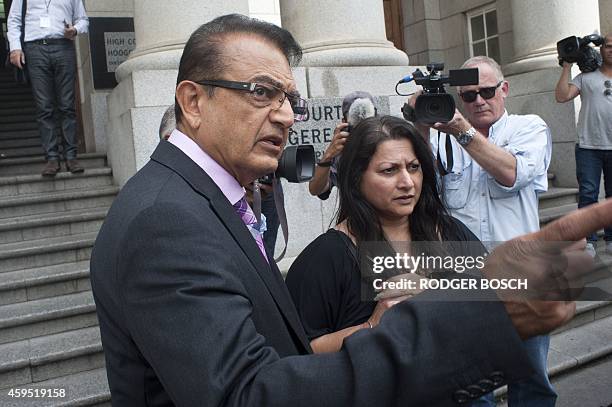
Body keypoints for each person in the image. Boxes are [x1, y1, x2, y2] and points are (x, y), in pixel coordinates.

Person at [90, 14, 611, 406]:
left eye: (290, 97)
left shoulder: (207, 201)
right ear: (193, 101)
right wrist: (466, 322)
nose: (287, 115)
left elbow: (274, 357)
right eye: (262, 93)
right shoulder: (168, 219)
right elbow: (246, 395)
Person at [410, 56, 554, 406]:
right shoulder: (443, 142)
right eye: (469, 95)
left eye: (486, 92)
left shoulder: (528, 127)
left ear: (504, 89)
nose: (478, 101)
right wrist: (421, 127)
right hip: (465, 279)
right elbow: (417, 189)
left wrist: (463, 131)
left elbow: (512, 174)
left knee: (531, 378)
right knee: (473, 387)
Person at [286, 115, 486, 353]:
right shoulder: (326, 258)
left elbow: (495, 299)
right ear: (356, 179)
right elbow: (300, 351)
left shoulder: (450, 231)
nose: (407, 182)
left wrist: (438, 295)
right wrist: (374, 325)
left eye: (413, 168)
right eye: (389, 170)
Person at [7, 0, 88, 176]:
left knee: (67, 105)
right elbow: (13, 20)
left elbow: (83, 20)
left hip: (63, 47)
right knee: (44, 107)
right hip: (34, 49)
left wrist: (74, 30)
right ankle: (52, 158)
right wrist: (15, 48)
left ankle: (71, 157)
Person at [555, 33, 612, 256]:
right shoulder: (586, 77)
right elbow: (561, 96)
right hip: (589, 147)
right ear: (601, 49)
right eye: (608, 46)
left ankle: (610, 239)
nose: (611, 50)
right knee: (588, 195)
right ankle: (588, 241)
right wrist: (566, 67)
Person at [308, 91, 376, 200]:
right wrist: (328, 156)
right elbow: (316, 189)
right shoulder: (340, 154)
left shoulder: (387, 144)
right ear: (344, 122)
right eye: (356, 120)